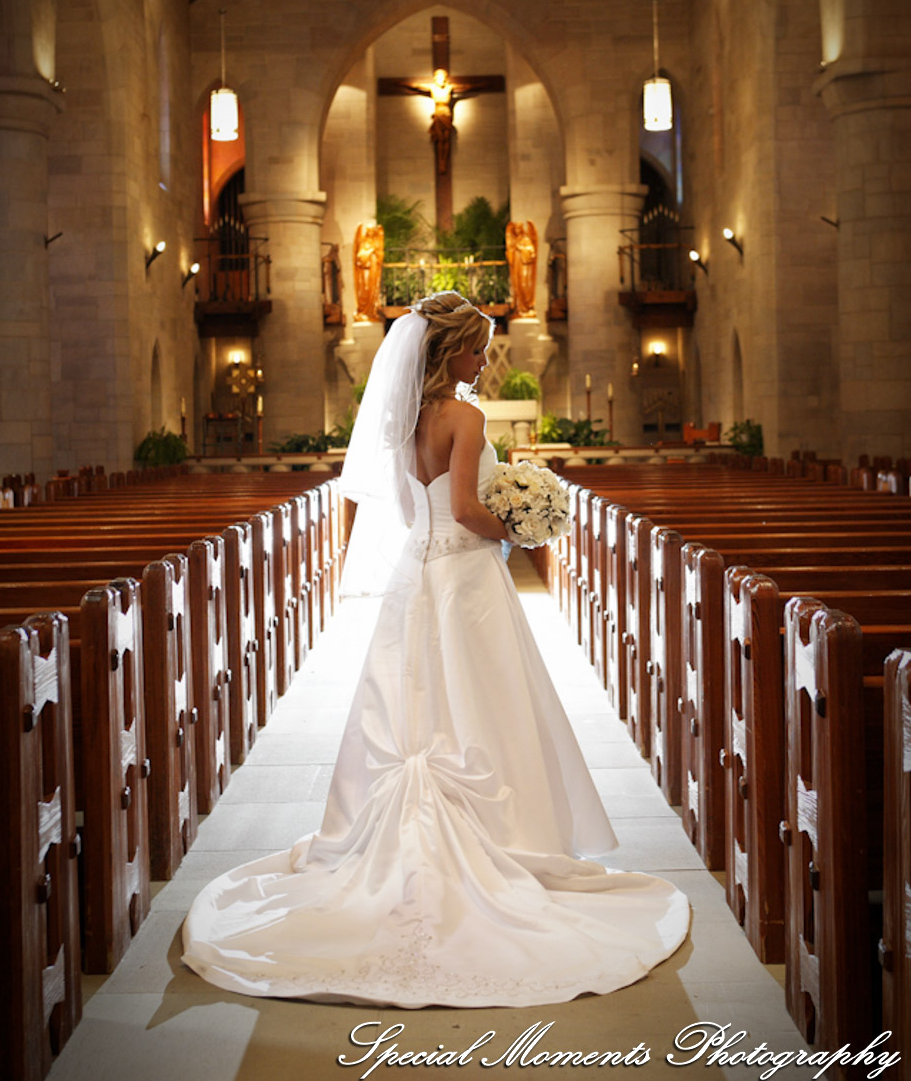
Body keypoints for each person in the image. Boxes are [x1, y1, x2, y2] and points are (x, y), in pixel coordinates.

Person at [182, 292, 689, 1007]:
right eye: (477, 349)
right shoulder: (465, 418)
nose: (484, 361)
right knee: (482, 701)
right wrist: (519, 529)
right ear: (450, 352)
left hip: (414, 573)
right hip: (466, 577)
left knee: (410, 699)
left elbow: (411, 508)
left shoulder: (401, 420)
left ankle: (385, 835)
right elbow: (467, 510)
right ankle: (505, 834)